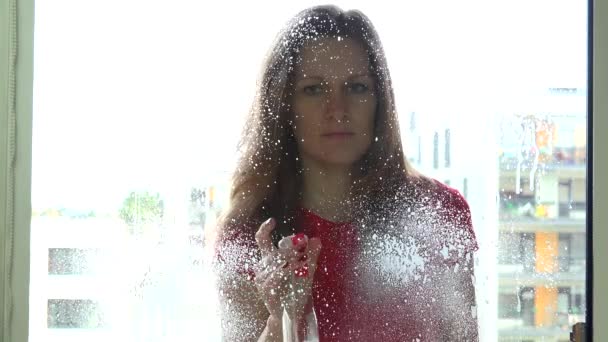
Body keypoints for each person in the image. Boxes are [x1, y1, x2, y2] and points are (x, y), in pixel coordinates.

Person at [210, 5, 479, 341]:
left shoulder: (438, 212)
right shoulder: (247, 235)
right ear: (283, 105)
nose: (337, 110)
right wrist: (282, 322)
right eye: (313, 89)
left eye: (356, 87)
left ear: (380, 100)